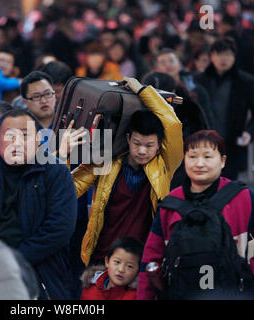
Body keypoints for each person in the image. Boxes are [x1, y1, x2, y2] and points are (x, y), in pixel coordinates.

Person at [60, 77, 183, 266]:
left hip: (144, 259)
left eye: (150, 145)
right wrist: (61, 157)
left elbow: (173, 124)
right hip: (103, 256)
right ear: (128, 138)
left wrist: (142, 90)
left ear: (160, 146)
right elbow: (70, 188)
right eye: (137, 143)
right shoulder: (106, 161)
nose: (142, 151)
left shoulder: (165, 165)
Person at [137, 130, 254, 300]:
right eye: (192, 156)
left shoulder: (241, 197)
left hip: (231, 293)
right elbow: (151, 257)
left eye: (208, 157)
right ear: (184, 159)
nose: (199, 163)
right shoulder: (170, 204)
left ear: (222, 161)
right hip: (180, 294)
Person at [0, 108, 77, 299]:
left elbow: (59, 229)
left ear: (38, 139)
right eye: (9, 135)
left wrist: (13, 260)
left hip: (40, 270)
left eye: (25, 135)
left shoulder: (55, 172)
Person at [195, 37, 254, 180]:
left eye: (228, 54)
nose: (223, 59)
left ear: (234, 57)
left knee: (228, 188)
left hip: (232, 146)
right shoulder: (199, 81)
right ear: (212, 56)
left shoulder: (245, 81)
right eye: (219, 54)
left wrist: (249, 132)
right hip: (201, 145)